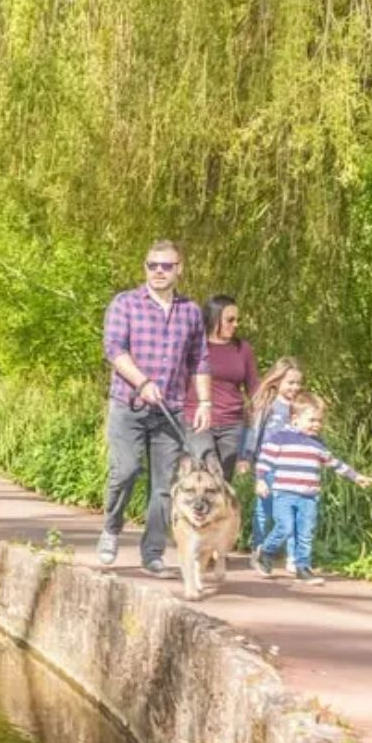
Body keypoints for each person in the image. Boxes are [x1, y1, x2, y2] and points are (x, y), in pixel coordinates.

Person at [98, 239, 213, 573]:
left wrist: (204, 401)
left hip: (171, 408)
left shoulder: (190, 311)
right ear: (145, 268)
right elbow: (114, 349)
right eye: (153, 265)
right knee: (127, 470)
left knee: (164, 486)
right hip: (129, 405)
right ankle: (111, 528)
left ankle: (152, 553)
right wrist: (142, 382)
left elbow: (200, 359)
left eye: (166, 265)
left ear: (179, 269)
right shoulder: (125, 304)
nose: (159, 271)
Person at [254, 392, 372, 584]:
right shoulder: (280, 438)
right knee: (284, 527)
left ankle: (303, 568)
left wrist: (356, 476)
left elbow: (334, 463)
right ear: (295, 419)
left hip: (308, 497)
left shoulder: (317, 443)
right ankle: (266, 552)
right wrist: (260, 480)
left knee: (305, 532)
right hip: (284, 493)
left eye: (319, 421)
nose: (316, 425)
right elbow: (265, 461)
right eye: (311, 420)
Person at [188, 294, 259, 475]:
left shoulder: (243, 349)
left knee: (222, 481)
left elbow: (254, 388)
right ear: (213, 318)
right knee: (207, 466)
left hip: (232, 424)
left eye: (237, 320)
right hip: (198, 421)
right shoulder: (194, 346)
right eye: (230, 320)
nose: (236, 324)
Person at [240, 357, 304, 548]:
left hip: (291, 466)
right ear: (277, 381)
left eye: (298, 383)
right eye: (290, 382)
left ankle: (287, 551)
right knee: (264, 508)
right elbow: (252, 432)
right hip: (268, 465)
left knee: (290, 508)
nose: (295, 387)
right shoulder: (267, 405)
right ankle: (258, 547)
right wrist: (246, 456)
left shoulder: (299, 406)